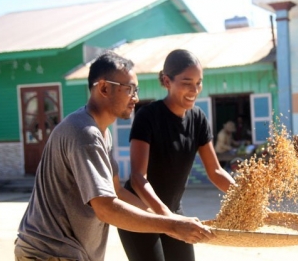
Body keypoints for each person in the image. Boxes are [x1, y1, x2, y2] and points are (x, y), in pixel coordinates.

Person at [14, 51, 214, 261]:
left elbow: (117, 191)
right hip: (49, 253)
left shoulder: (101, 132)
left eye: (136, 90)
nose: (135, 98)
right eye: (129, 89)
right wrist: (172, 224)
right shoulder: (85, 133)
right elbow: (106, 208)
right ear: (104, 88)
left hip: (64, 252)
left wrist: (170, 218)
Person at [117, 49, 236, 261]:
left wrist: (244, 196)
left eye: (199, 82)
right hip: (140, 212)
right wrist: (167, 218)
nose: (194, 89)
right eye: (187, 82)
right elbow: (137, 178)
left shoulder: (198, 119)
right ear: (166, 81)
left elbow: (216, 171)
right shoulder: (148, 116)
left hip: (173, 209)